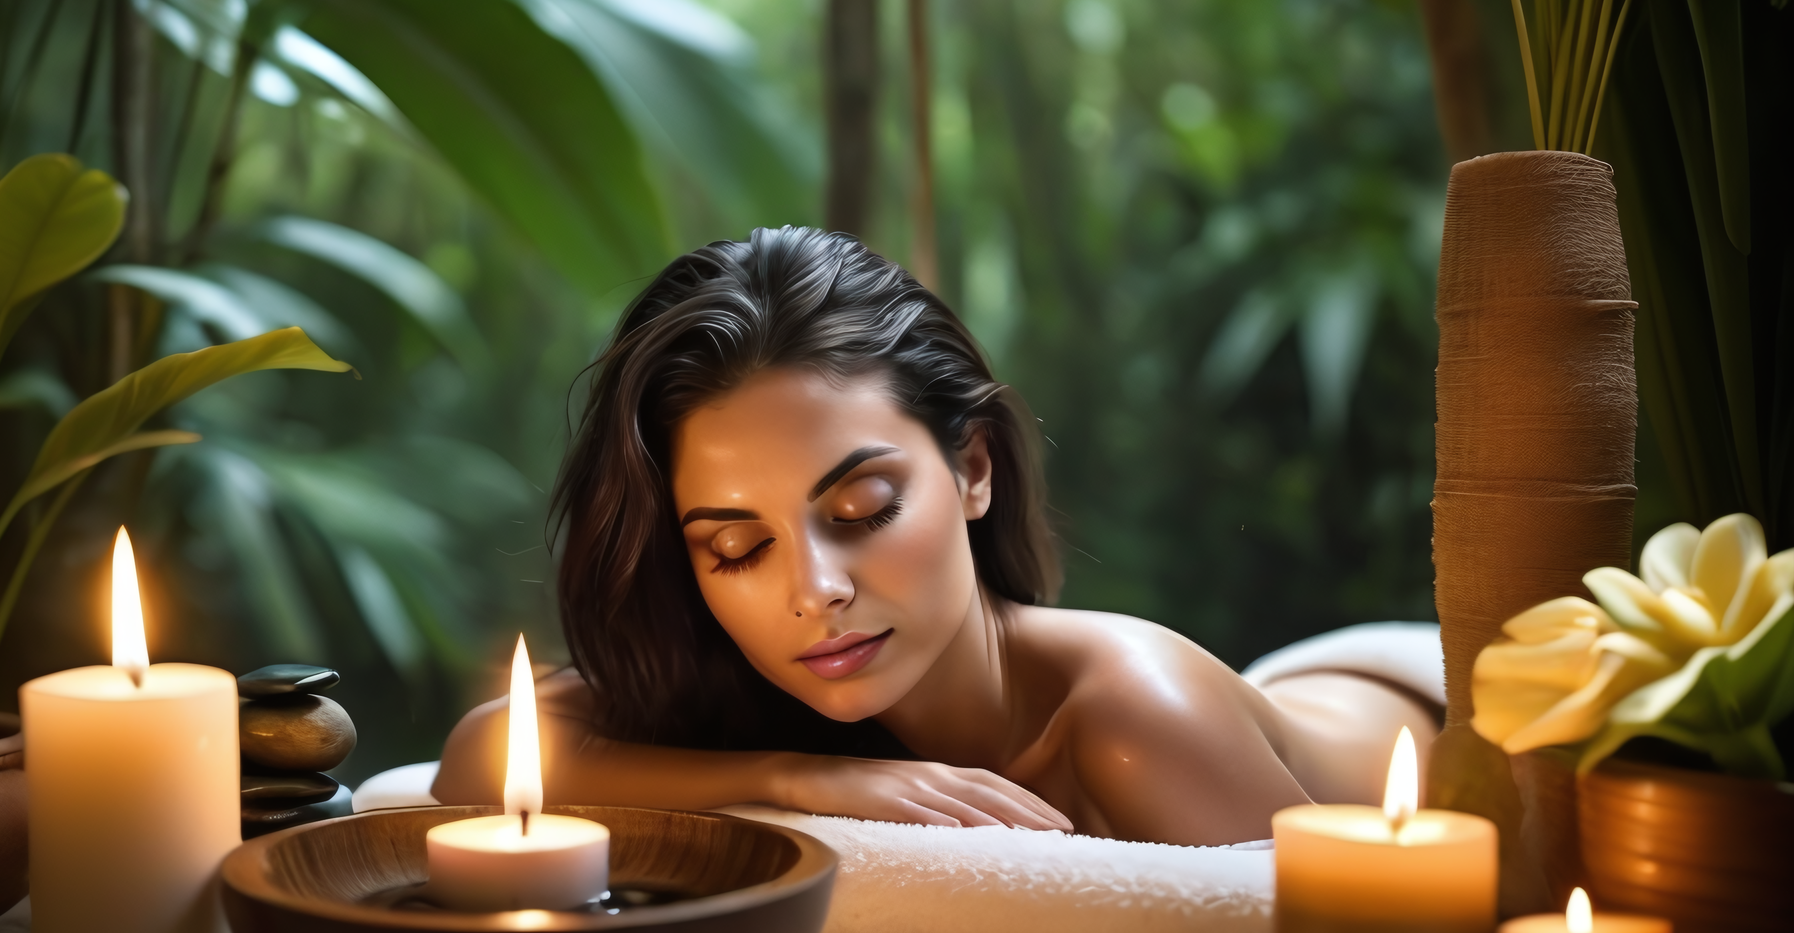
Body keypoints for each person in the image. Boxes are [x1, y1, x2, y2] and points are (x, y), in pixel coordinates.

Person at [436, 227, 1438, 845]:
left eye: (861, 510)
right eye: (735, 548)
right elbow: (483, 757)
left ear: (972, 468)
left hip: (1426, 703)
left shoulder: (1133, 723)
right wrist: (796, 778)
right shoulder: (764, 706)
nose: (813, 589)